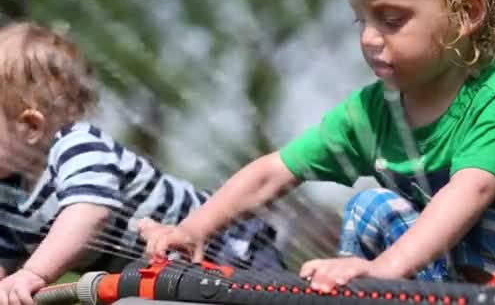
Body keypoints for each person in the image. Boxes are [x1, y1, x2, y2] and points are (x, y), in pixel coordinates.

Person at [138, 0, 495, 303]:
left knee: (468, 220)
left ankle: (381, 289)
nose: (368, 38)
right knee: (371, 207)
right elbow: (272, 172)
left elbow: (470, 193)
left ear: (466, 14)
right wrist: (193, 228)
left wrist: (382, 270)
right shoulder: (371, 112)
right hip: (453, 267)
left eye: (391, 19)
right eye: (361, 19)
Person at [0, 22, 284, 305]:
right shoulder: (8, 192)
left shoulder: (78, 147)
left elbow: (88, 214)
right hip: (161, 279)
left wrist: (33, 273)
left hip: (228, 247)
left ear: (30, 127)